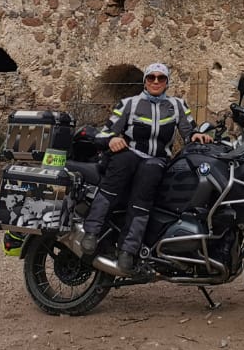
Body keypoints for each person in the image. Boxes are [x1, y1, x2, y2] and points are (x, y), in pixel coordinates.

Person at [80, 62, 211, 272]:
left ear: (167, 82)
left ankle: (127, 250)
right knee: (120, 166)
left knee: (146, 188)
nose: (156, 81)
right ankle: (92, 232)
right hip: (130, 155)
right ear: (145, 81)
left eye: (161, 78)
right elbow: (104, 133)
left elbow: (189, 133)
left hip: (156, 160)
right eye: (151, 78)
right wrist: (112, 139)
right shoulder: (128, 104)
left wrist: (197, 135)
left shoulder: (177, 105)